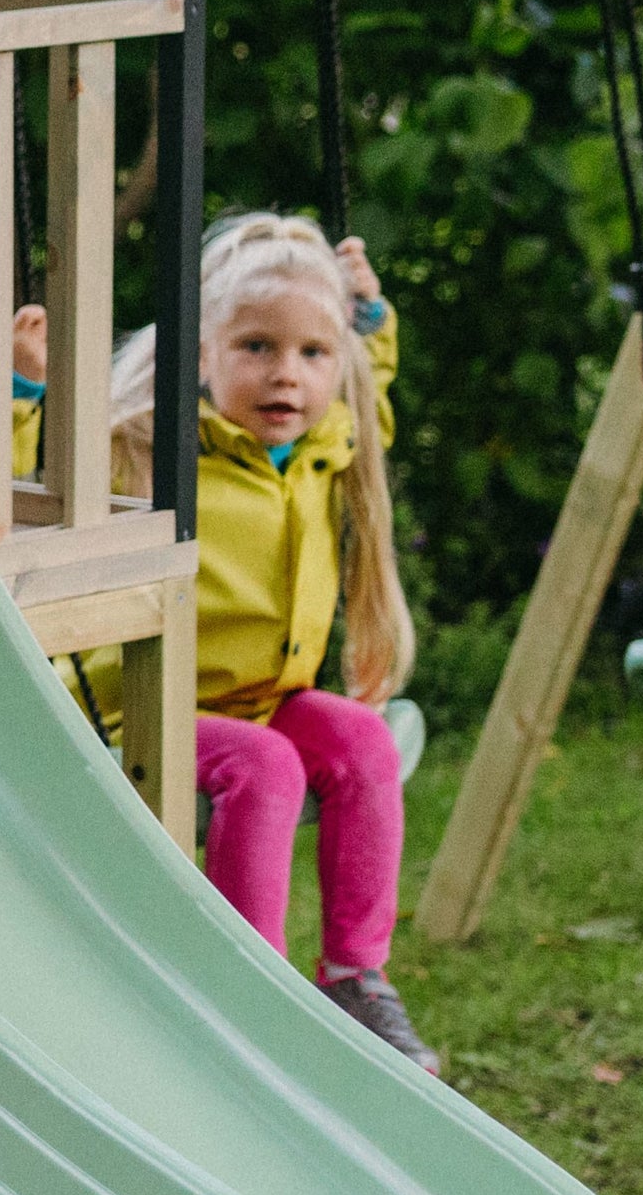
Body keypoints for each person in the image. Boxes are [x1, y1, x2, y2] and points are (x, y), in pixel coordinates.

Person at [85, 212, 428, 1063]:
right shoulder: (150, 445)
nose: (288, 376)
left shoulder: (322, 447)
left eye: (314, 354)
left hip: (265, 697)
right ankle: (251, 991)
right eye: (257, 348)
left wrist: (371, 325)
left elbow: (367, 397)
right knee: (267, 766)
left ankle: (355, 979)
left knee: (360, 737)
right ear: (203, 355)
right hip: (150, 707)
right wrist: (23, 395)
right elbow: (30, 478)